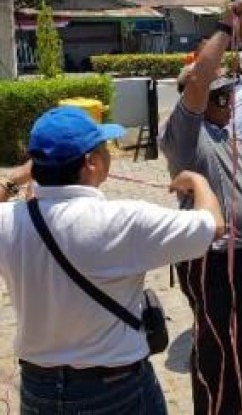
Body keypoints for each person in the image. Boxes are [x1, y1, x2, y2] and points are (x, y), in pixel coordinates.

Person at [0, 106, 223, 414]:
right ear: (91, 163)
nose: (109, 153)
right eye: (103, 147)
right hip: (115, 389)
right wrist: (199, 182)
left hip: (39, 390)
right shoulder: (123, 220)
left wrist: (13, 180)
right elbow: (212, 225)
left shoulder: (8, 221)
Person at [160, 0, 242, 415]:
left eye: (231, 95)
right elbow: (199, 81)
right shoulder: (185, 134)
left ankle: (237, 403)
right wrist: (229, 24)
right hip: (213, 259)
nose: (231, 102)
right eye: (222, 96)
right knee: (215, 347)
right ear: (201, 98)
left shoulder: (228, 134)